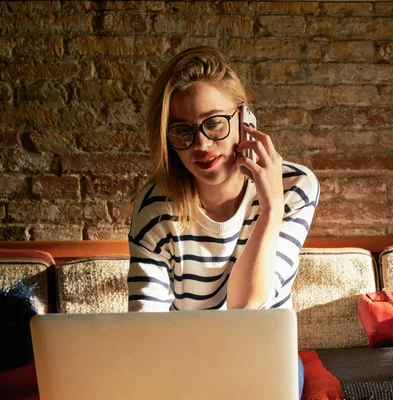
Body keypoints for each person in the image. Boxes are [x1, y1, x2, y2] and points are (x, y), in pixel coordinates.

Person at [127, 46, 319, 399]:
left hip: (265, 358)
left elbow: (246, 306)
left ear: (245, 120)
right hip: (186, 366)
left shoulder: (294, 187)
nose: (200, 143)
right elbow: (145, 327)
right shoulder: (153, 208)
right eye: (182, 130)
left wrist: (271, 208)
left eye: (214, 122)